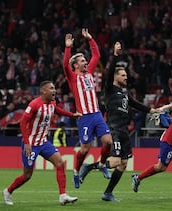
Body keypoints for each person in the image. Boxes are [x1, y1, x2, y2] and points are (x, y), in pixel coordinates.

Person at [79, 64, 159, 202]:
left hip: (124, 131)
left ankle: (108, 193)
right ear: (115, 77)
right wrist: (115, 56)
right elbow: (109, 72)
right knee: (116, 161)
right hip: (113, 129)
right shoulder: (110, 89)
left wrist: (152, 111)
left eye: (126, 75)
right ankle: (89, 167)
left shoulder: (125, 93)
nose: (126, 77)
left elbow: (135, 104)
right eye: (122, 75)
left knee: (123, 164)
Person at [2, 81, 82, 205]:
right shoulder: (34, 104)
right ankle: (8, 191)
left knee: (60, 163)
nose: (54, 90)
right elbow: (23, 122)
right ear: (43, 91)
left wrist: (72, 115)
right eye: (51, 88)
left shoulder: (52, 103)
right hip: (31, 144)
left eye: (54, 88)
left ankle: (63, 195)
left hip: (44, 142)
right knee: (27, 175)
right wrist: (27, 143)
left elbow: (57, 110)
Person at [63, 29, 112, 189]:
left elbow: (96, 55)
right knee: (85, 149)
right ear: (76, 65)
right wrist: (68, 47)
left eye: (85, 60)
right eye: (82, 60)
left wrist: (91, 39)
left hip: (97, 115)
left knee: (108, 143)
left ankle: (102, 164)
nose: (86, 62)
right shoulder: (72, 77)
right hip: (84, 117)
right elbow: (65, 65)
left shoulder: (89, 72)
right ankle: (76, 172)